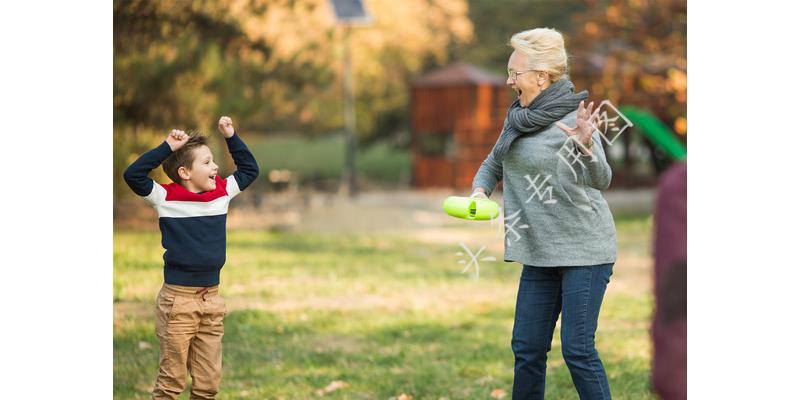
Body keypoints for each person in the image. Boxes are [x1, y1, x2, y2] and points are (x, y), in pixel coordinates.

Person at [470, 28, 617, 399]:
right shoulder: (517, 118)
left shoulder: (575, 119)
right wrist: (479, 191)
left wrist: (585, 147)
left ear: (541, 76)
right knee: (527, 349)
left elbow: (602, 178)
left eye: (514, 73)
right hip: (539, 253)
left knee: (578, 351)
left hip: (584, 250)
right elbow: (494, 162)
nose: (508, 81)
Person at [123, 116, 259, 399]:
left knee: (208, 385)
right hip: (178, 302)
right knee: (171, 383)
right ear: (185, 172)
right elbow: (133, 175)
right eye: (207, 162)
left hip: (212, 299)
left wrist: (231, 137)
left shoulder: (221, 192)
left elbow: (250, 169)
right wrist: (167, 147)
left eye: (213, 161)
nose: (216, 167)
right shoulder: (165, 197)